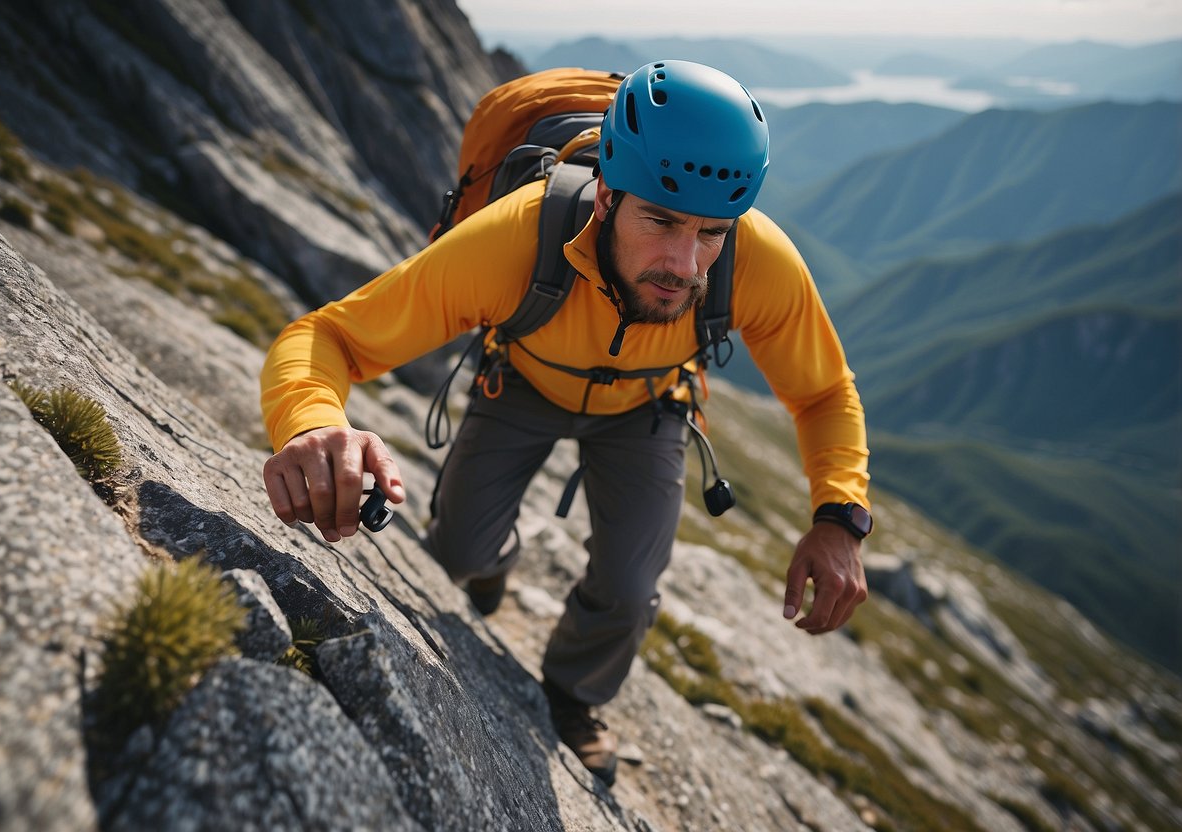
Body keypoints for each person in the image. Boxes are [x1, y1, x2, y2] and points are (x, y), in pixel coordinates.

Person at [260, 60, 871, 787]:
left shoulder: (757, 262)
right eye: (660, 220)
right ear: (606, 196)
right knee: (456, 553)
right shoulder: (515, 240)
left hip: (648, 405)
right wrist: (311, 423)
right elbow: (329, 337)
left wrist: (839, 516)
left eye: (711, 231)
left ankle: (574, 696)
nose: (684, 264)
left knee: (628, 582)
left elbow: (823, 391)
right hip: (523, 378)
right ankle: (488, 567)